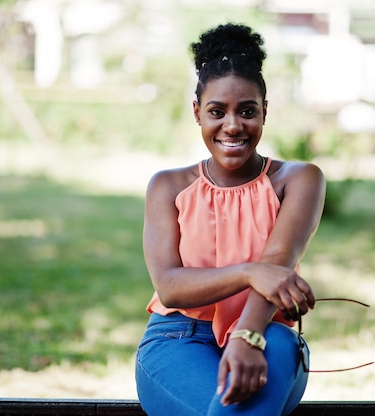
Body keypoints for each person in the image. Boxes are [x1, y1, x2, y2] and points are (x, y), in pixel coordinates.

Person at [135, 23, 326, 416]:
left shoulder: (298, 180)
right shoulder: (168, 186)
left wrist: (248, 334)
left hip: (270, 339)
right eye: (217, 112)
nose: (233, 125)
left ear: (265, 112)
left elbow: (279, 262)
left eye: (247, 111)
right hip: (178, 339)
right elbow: (170, 287)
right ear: (197, 113)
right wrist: (249, 273)